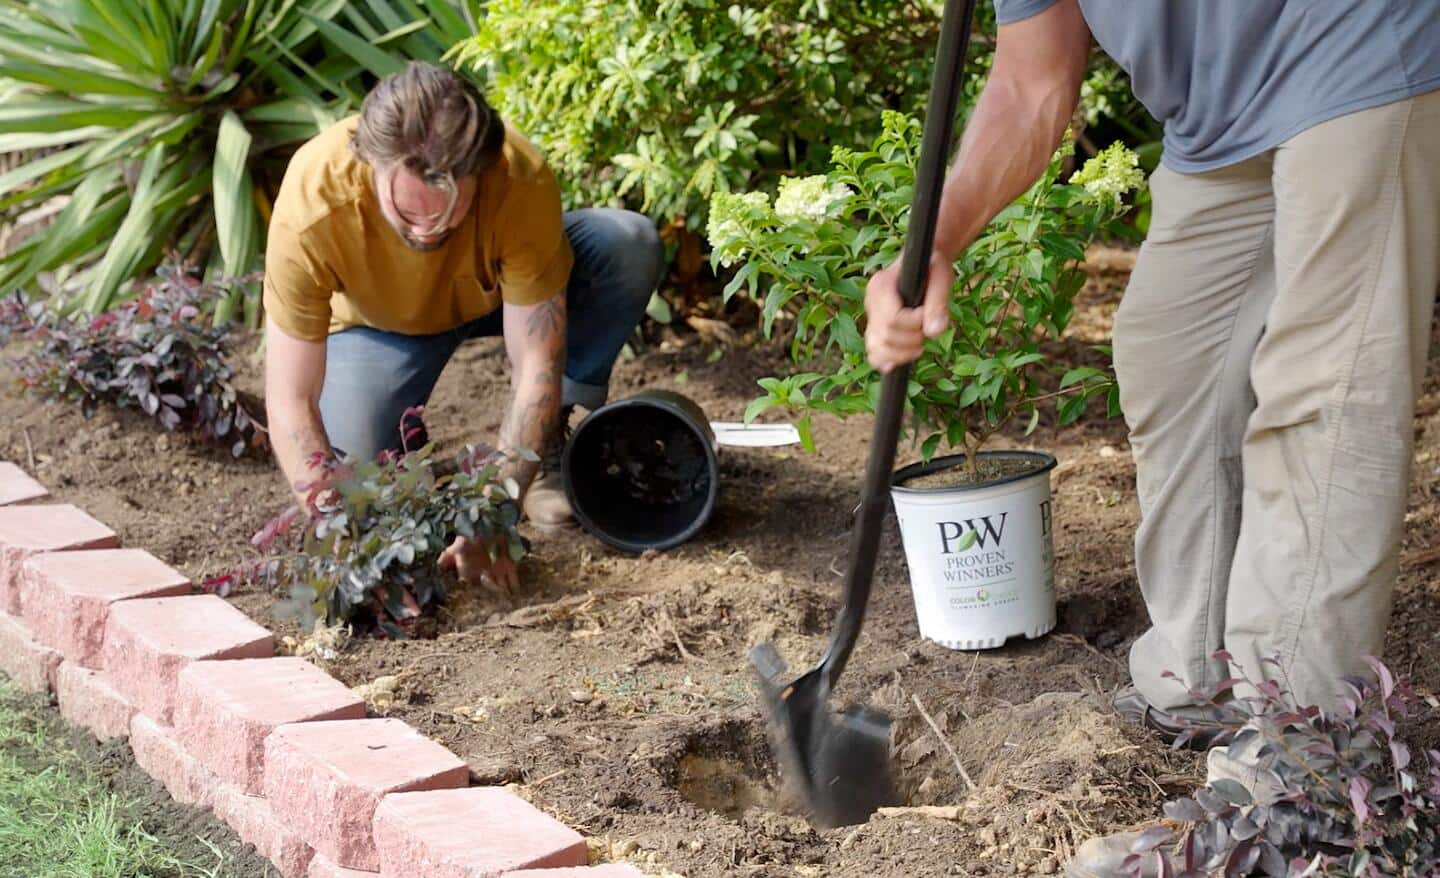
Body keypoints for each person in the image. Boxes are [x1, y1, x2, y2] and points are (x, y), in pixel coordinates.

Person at [862, 1, 1440, 873]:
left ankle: (1301, 779)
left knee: (1323, 394)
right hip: (1214, 120)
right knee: (1170, 359)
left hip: (1355, 46)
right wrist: (939, 241)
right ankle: (1205, 676)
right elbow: (1032, 77)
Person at [263, 61, 663, 591]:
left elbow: (536, 365)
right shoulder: (313, 201)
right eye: (408, 215)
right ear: (371, 163)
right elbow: (290, 398)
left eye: (453, 214)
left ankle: (548, 454)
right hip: (380, 327)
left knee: (626, 244)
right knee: (358, 470)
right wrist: (339, 536)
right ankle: (412, 468)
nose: (430, 231)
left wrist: (496, 510)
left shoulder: (516, 176)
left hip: (496, 297)